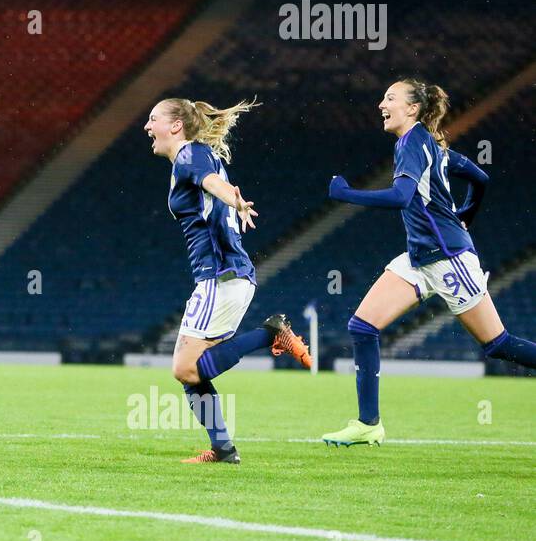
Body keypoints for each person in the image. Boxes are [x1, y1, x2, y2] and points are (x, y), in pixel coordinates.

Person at [322, 78, 536, 446]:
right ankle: (368, 424)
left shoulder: (413, 144)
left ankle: (368, 422)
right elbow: (478, 176)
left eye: (390, 98)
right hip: (420, 258)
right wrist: (467, 210)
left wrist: (347, 194)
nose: (381, 104)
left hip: (450, 259)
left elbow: (402, 197)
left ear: (413, 109)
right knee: (362, 326)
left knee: (497, 344)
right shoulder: (426, 143)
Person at [144, 97, 312, 465]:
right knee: (193, 374)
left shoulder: (190, 156)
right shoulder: (193, 158)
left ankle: (270, 333)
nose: (147, 127)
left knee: (184, 368)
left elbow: (214, 183)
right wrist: (229, 198)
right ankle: (223, 449)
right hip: (227, 277)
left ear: (176, 126)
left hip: (220, 278)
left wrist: (233, 200)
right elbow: (213, 183)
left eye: (153, 119)